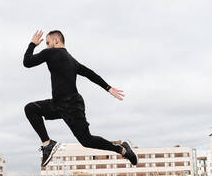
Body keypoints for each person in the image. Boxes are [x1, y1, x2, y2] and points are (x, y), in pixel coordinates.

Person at [23, 29, 138, 167]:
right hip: (58, 104)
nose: (46, 46)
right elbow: (90, 73)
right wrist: (108, 88)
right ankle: (48, 144)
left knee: (87, 140)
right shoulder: (72, 60)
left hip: (71, 106)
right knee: (30, 109)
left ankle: (123, 149)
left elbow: (27, 62)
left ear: (56, 40)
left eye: (47, 42)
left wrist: (32, 44)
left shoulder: (50, 53)